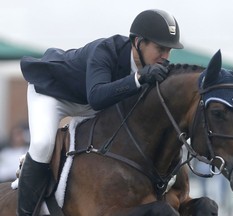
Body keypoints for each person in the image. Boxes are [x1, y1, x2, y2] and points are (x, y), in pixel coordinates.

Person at [18, 9, 183, 215]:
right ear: (139, 42)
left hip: (90, 104)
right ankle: (25, 211)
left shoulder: (152, 67)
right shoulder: (105, 51)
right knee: (43, 144)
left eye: (169, 51)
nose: (165, 57)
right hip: (53, 94)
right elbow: (96, 97)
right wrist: (138, 78)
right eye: (160, 48)